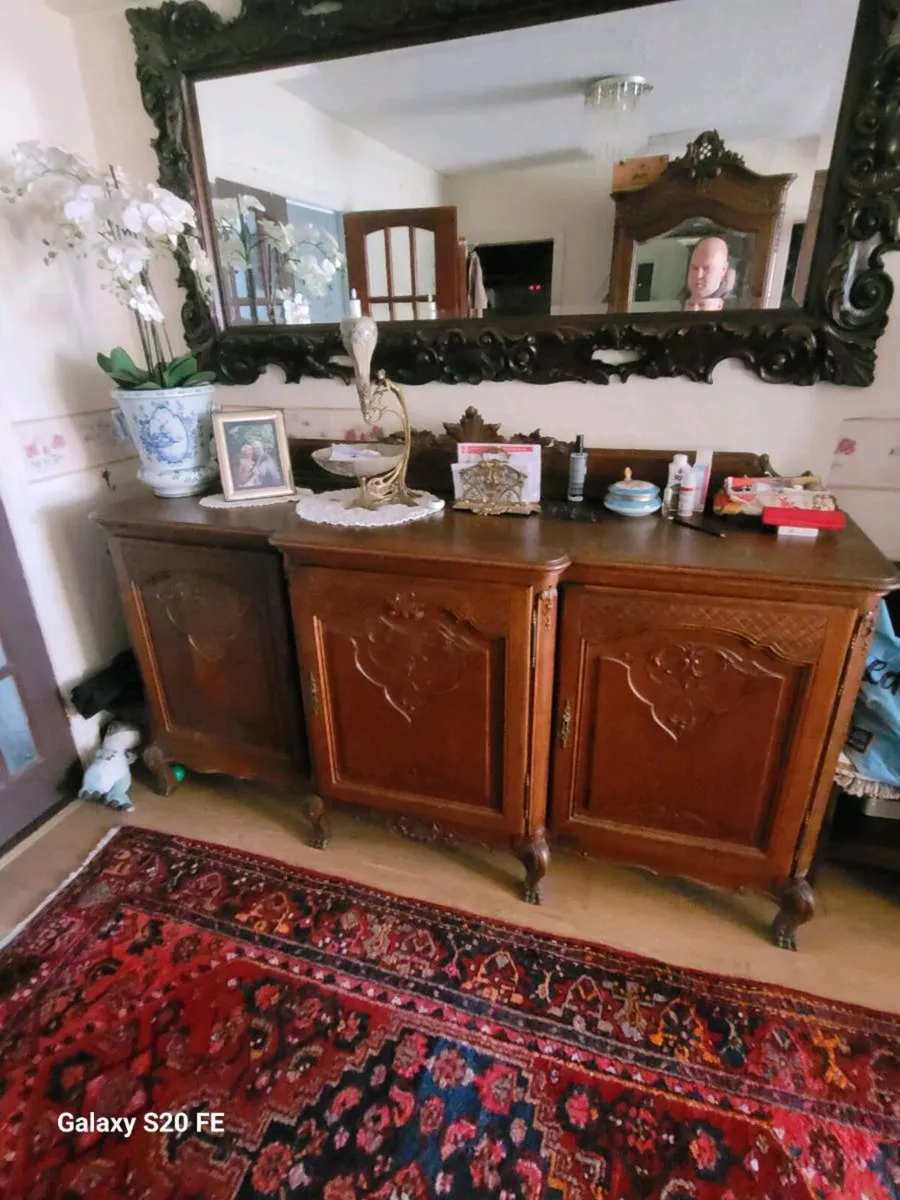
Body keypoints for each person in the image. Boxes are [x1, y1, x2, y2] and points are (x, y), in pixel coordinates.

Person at [683, 236, 736, 310]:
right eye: (695, 268)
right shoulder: (675, 301)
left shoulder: (735, 309)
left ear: (723, 270)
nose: (698, 275)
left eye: (706, 269)